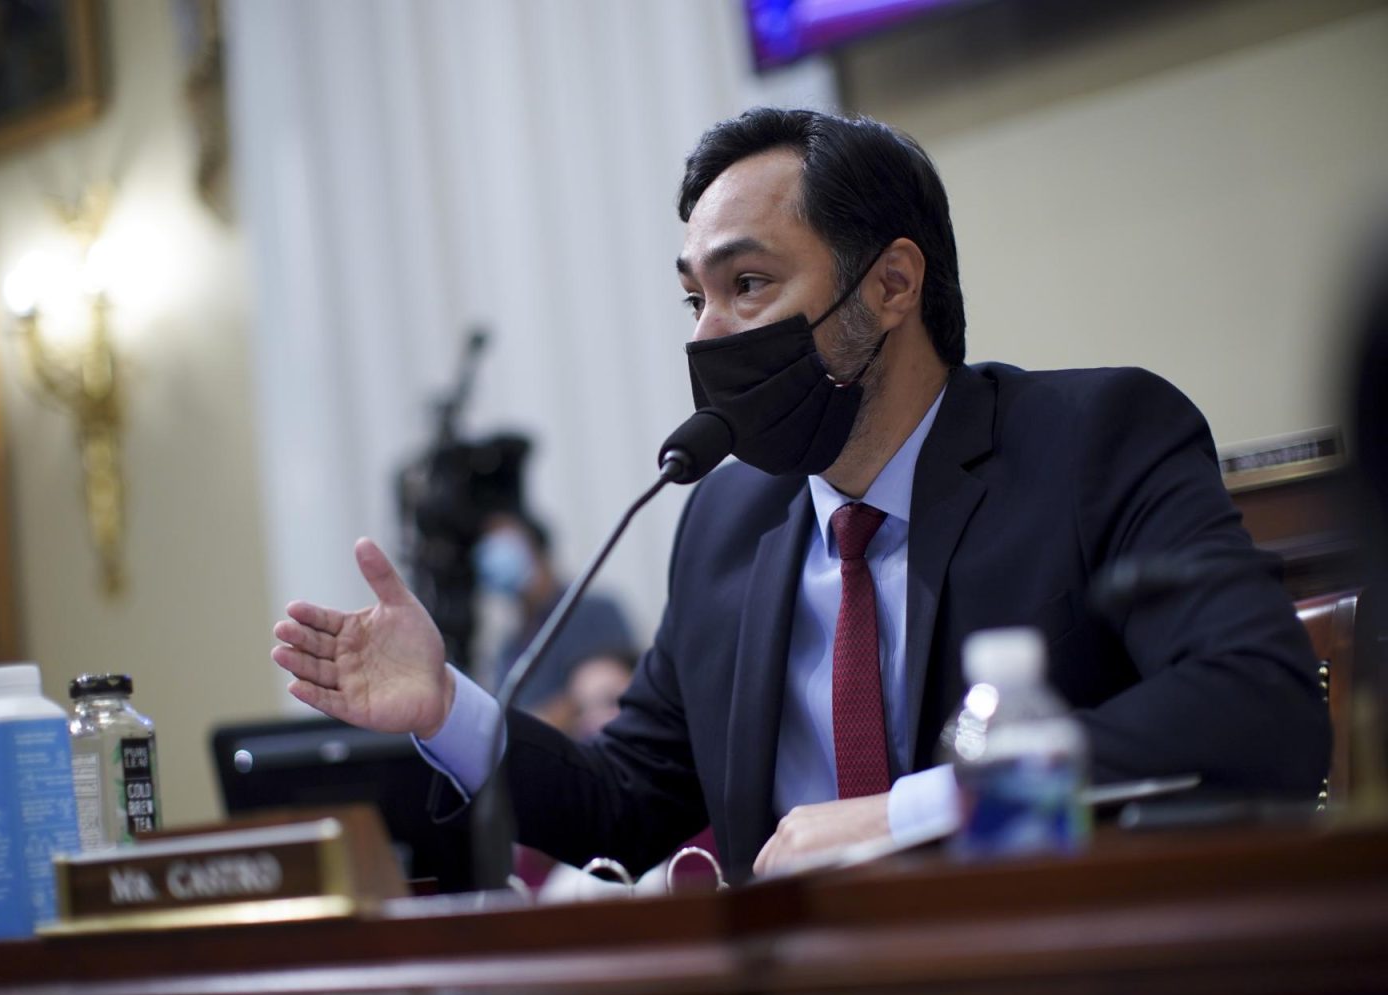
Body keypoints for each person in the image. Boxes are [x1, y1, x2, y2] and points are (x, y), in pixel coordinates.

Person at [274, 108, 1330, 882]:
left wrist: (910, 813)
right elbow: (628, 805)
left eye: (747, 285)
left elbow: (1258, 702)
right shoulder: (726, 527)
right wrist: (446, 706)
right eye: (693, 298)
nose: (704, 335)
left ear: (892, 284)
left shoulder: (1094, 443)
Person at [471, 509, 634, 728]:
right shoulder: (509, 647)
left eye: (506, 544)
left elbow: (606, 690)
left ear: (537, 549)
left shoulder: (595, 611)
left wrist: (536, 726)